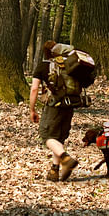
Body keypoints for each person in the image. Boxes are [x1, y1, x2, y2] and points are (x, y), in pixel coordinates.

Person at [29, 40, 79, 182]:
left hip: (54, 106)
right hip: (69, 105)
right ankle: (54, 171)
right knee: (58, 138)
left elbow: (34, 89)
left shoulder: (44, 66)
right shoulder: (69, 65)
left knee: (47, 136)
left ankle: (65, 158)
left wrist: (32, 109)